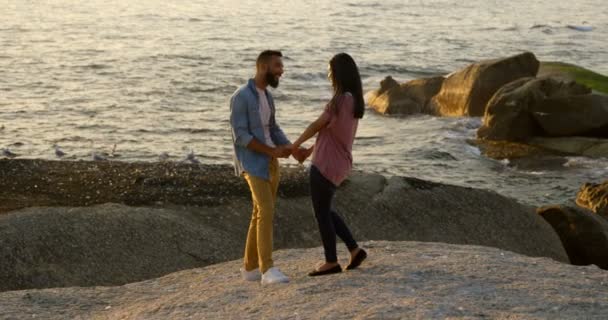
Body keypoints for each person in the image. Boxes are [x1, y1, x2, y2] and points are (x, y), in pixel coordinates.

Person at [291, 53, 368, 276]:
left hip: (325, 164)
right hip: (339, 163)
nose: (328, 74)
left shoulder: (339, 100)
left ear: (337, 73)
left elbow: (317, 125)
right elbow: (332, 135)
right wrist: (307, 151)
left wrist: (295, 144)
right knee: (326, 209)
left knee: (321, 213)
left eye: (329, 70)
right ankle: (354, 250)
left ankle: (331, 261)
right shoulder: (353, 101)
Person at [229, 50, 302, 284]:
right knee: (266, 212)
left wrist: (291, 147)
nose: (282, 70)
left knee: (259, 213)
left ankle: (250, 268)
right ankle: (267, 270)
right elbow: (240, 135)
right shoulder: (241, 96)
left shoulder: (267, 96)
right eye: (277, 66)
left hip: (271, 162)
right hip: (252, 164)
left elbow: (272, 128)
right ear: (263, 68)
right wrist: (272, 151)